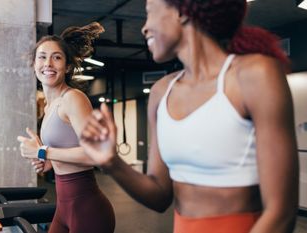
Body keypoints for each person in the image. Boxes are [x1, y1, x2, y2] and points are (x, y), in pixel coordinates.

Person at [79, 0, 299, 232]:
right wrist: (112, 162)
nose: (144, 27)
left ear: (182, 12)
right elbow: (160, 195)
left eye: (149, 13)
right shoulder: (161, 92)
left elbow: (281, 214)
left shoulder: (253, 75)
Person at [17, 22, 115, 233]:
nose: (48, 63)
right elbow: (63, 153)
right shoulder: (51, 104)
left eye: (57, 57)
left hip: (88, 209)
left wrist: (43, 151)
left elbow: (96, 155)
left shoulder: (73, 98)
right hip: (64, 206)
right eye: (42, 56)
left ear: (68, 67)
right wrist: (46, 163)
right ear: (34, 63)